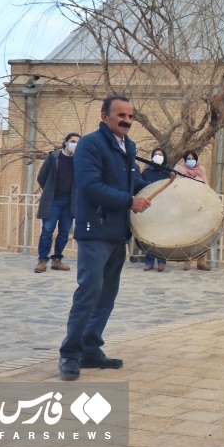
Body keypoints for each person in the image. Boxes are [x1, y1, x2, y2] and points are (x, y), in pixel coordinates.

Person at [59, 95, 150, 381]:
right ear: (104, 116)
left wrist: (164, 185)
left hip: (117, 233)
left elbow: (132, 182)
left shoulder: (128, 146)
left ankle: (90, 349)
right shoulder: (90, 144)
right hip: (95, 231)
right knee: (88, 294)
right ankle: (70, 355)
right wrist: (128, 201)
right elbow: (90, 186)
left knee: (106, 296)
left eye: (130, 116)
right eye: (120, 115)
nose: (126, 120)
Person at [34, 133, 80, 273]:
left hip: (69, 202)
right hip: (53, 201)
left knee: (64, 232)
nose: (75, 144)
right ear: (65, 142)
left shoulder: (79, 160)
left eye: (78, 142)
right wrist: (49, 191)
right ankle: (42, 260)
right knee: (47, 230)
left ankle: (57, 260)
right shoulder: (54, 157)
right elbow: (42, 177)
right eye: (72, 141)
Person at [175, 150, 211, 271]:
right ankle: (187, 260)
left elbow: (206, 188)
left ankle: (201, 261)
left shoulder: (201, 172)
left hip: (200, 208)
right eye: (188, 159)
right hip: (187, 208)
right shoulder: (181, 173)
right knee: (188, 234)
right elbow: (177, 189)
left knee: (203, 235)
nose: (190, 161)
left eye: (192, 158)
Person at [140, 147, 171, 272]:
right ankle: (149, 261)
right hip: (149, 206)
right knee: (149, 234)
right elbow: (141, 188)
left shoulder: (167, 173)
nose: (158, 156)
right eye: (156, 154)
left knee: (161, 234)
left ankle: (162, 261)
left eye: (160, 154)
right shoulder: (146, 172)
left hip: (163, 206)